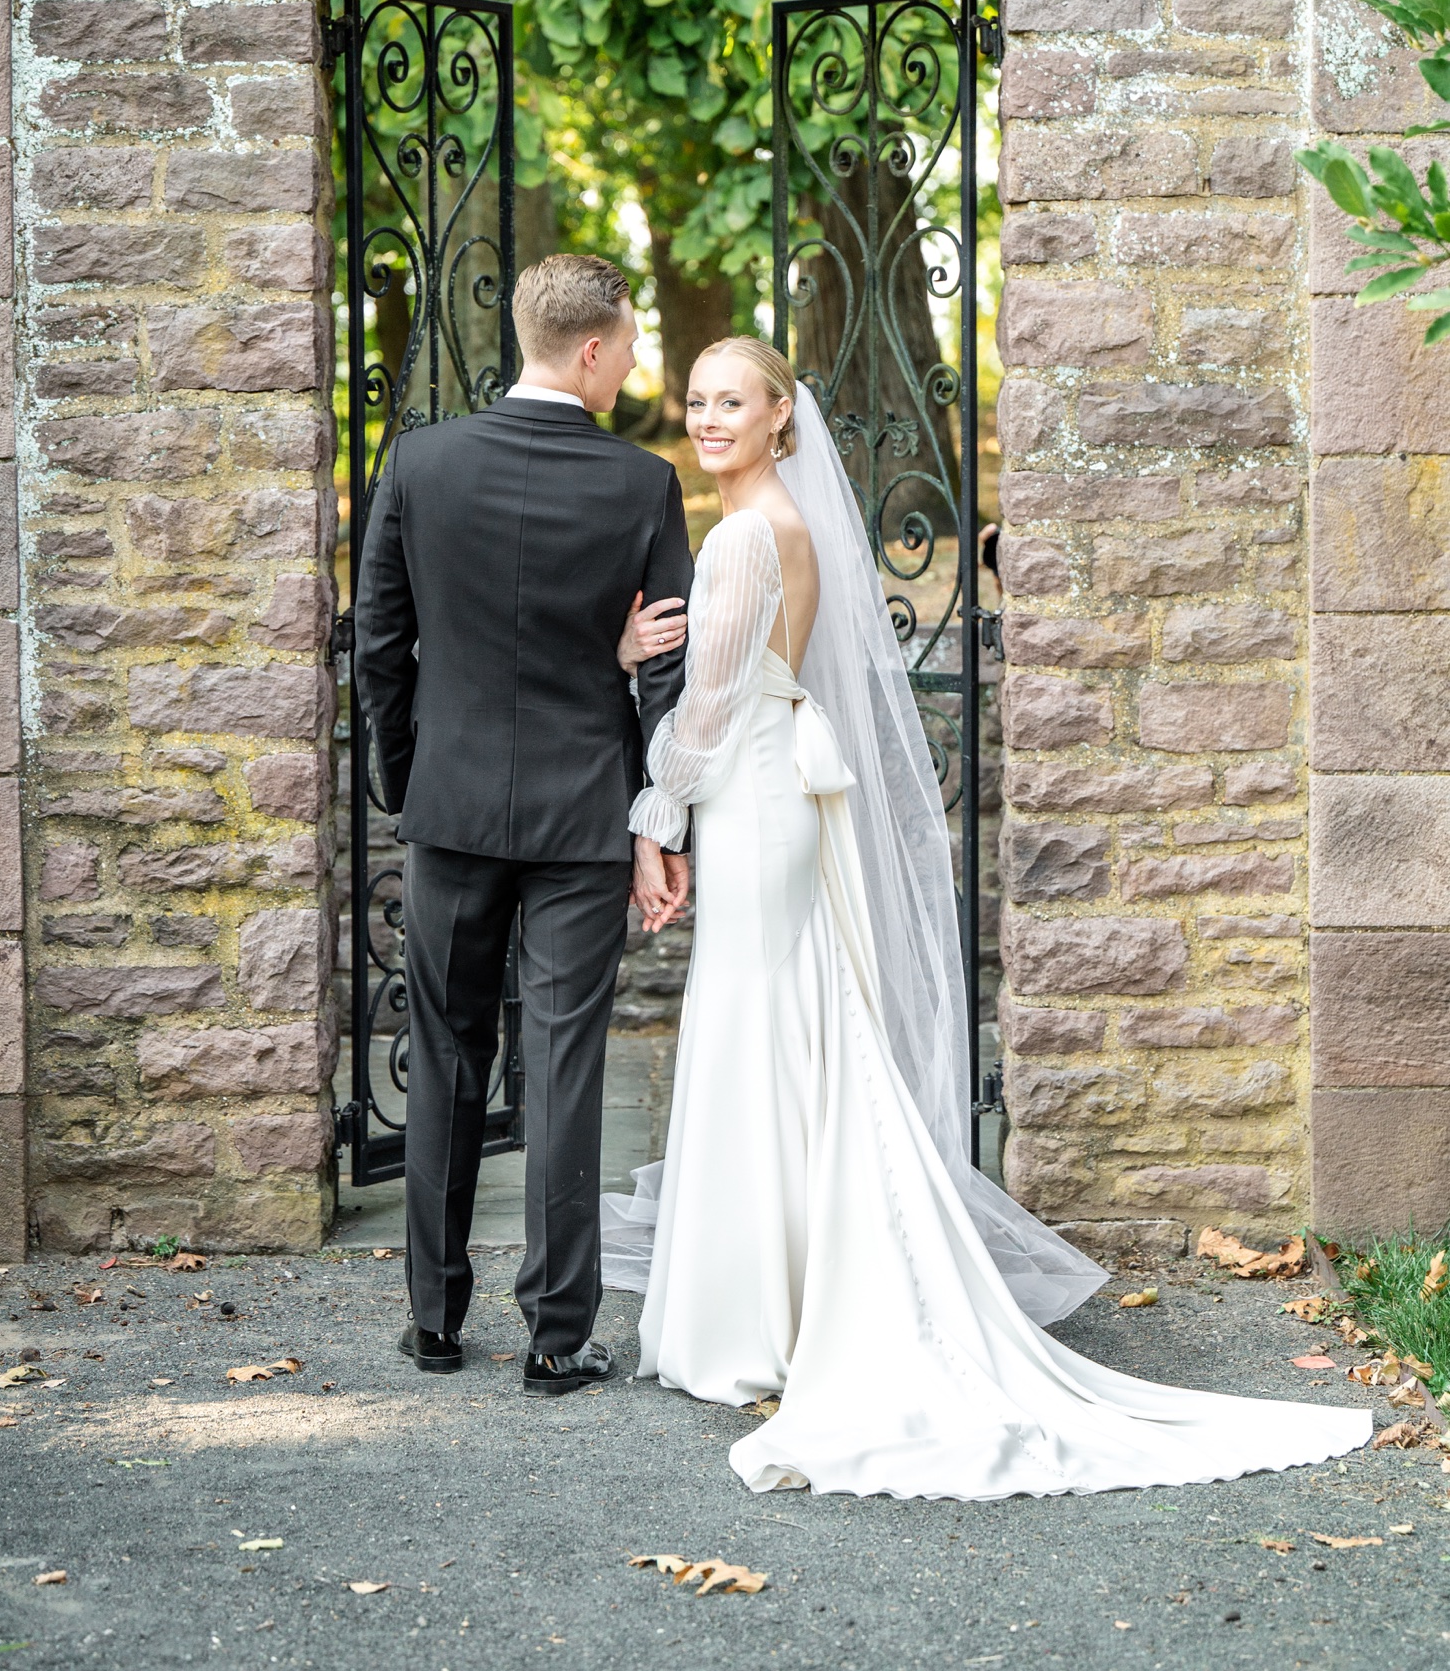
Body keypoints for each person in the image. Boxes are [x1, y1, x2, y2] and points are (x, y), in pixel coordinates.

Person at [604, 336, 1373, 1498]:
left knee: (759, 1027)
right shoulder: (789, 532)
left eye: (733, 402)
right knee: (792, 1024)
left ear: (780, 422)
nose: (708, 419)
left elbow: (707, 708)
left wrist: (652, 818)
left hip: (753, 798)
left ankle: (755, 1317)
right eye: (699, 400)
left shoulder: (747, 539)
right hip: (779, 795)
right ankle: (784, 1293)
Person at [353, 255, 692, 1395]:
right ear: (590, 350)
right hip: (583, 813)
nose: (638, 358)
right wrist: (655, 814)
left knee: (447, 1050)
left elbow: (379, 645)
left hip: (450, 807)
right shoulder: (642, 488)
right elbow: (666, 675)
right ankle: (556, 1334)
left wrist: (410, 783)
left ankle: (434, 1319)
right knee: (562, 1063)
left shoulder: (422, 462)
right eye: (632, 342)